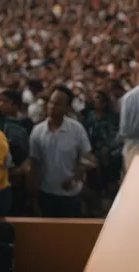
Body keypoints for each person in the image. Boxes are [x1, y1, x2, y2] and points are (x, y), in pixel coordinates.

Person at [29, 86, 94, 218]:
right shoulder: (37, 131)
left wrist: (75, 176)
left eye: (58, 104)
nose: (52, 107)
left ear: (67, 108)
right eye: (51, 102)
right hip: (46, 193)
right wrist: (33, 198)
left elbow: (88, 158)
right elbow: (34, 165)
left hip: (71, 195)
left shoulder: (77, 130)